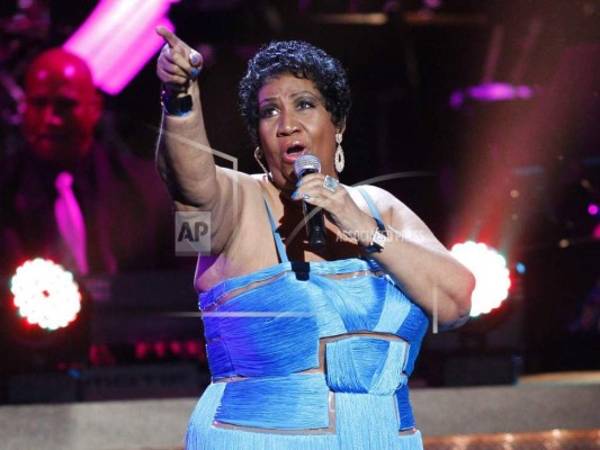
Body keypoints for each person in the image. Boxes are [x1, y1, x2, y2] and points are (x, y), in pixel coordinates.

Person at [156, 26, 475, 450]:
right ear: (259, 143)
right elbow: (189, 185)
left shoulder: (379, 207)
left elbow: (456, 303)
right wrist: (180, 100)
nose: (287, 125)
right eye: (269, 112)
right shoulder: (239, 202)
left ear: (337, 125)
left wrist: (360, 225)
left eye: (304, 104)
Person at [0, 48, 177, 278]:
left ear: (95, 107)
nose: (50, 119)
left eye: (65, 105)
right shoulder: (6, 189)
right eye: (39, 103)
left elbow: (191, 272)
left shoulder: (152, 188)